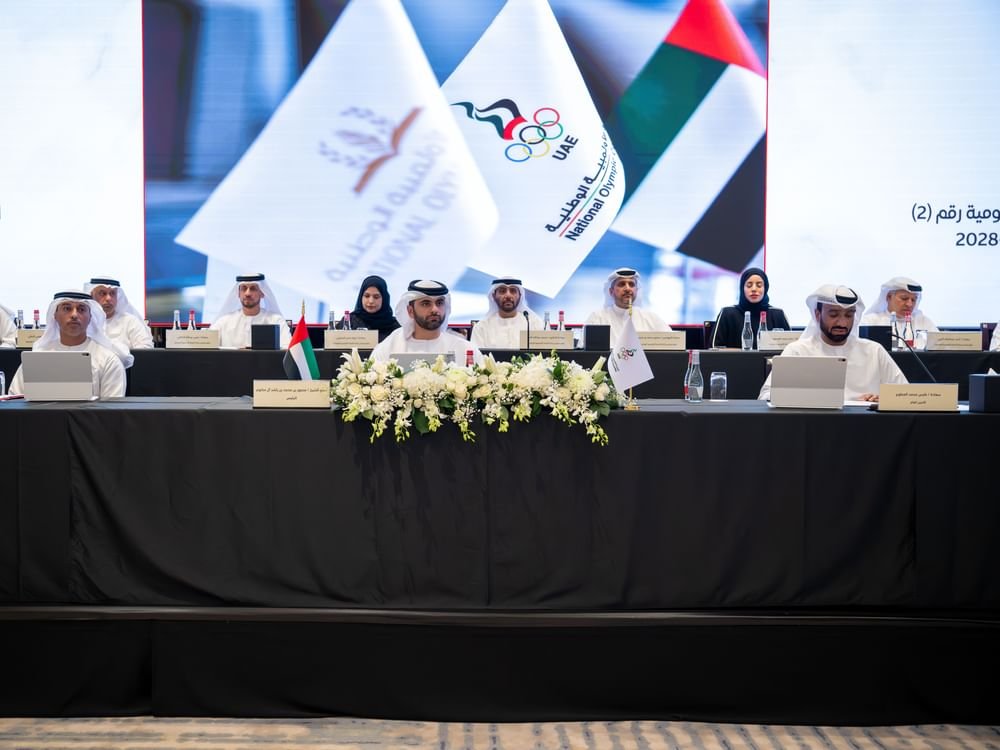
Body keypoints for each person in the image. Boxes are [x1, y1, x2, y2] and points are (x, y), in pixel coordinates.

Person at [759, 284, 907, 403]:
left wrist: (884, 399)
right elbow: (765, 396)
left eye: (849, 315)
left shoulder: (874, 351)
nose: (842, 323)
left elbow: (904, 395)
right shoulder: (798, 351)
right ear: (817, 315)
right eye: (834, 314)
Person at [8, 290, 126, 398]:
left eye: (81, 309)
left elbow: (112, 409)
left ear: (90, 317)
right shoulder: (36, 358)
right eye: (67, 309)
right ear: (55, 315)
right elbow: (15, 401)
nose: (74, 315)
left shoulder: (108, 360)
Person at [371, 279, 482, 364]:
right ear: (410, 311)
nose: (435, 309)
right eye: (426, 303)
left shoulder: (464, 349)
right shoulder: (390, 347)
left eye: (439, 303)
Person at [710, 267, 790, 348]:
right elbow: (715, 347)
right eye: (749, 285)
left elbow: (790, 348)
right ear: (742, 288)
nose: (754, 289)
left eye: (759, 285)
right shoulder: (727, 314)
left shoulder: (777, 314)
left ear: (765, 288)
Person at [584, 267, 671, 342]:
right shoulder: (597, 318)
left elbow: (673, 343)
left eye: (631, 284)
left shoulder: (651, 318)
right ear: (611, 291)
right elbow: (584, 348)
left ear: (636, 290)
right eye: (622, 284)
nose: (627, 288)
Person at [84, 277, 152, 368]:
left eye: (112, 293)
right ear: (91, 296)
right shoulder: (82, 323)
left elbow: (145, 352)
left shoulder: (130, 321)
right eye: (102, 293)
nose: (108, 298)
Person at [209, 273, 291, 349]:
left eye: (253, 289)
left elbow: (287, 349)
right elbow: (206, 346)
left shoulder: (276, 321)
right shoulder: (223, 322)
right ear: (238, 293)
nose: (247, 293)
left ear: (262, 293)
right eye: (244, 288)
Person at [470, 276, 545, 350]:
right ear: (493, 296)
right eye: (502, 291)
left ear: (520, 296)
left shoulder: (534, 324)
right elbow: (476, 356)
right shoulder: (482, 328)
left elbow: (544, 355)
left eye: (513, 291)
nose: (508, 295)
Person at [861, 276, 939, 332]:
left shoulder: (924, 322)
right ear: (889, 297)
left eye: (913, 300)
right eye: (904, 298)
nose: (909, 304)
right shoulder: (870, 322)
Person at [342, 275, 400, 342]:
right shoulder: (349, 322)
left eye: (376, 297)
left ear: (384, 299)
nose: (371, 301)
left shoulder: (396, 328)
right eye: (367, 296)